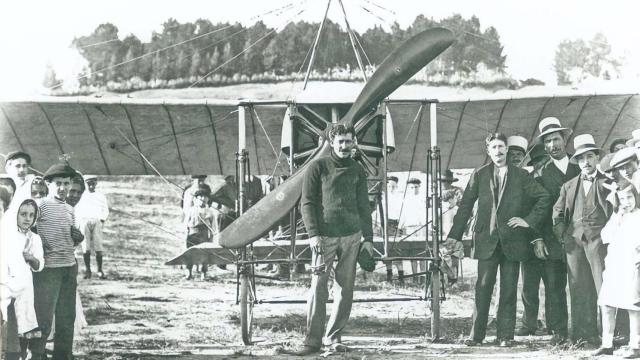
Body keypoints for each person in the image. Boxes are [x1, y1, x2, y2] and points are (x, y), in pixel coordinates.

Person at [445, 132, 551, 347]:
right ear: (488, 151)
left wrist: (527, 221)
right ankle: (476, 336)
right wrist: (454, 235)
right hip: (487, 241)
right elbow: (465, 206)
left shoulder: (521, 175)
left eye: (501, 147)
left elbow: (544, 197)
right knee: (483, 287)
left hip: (513, 242)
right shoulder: (480, 174)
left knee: (509, 288)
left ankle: (505, 336)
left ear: (507, 149)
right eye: (494, 147)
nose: (499, 151)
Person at [287, 124, 374, 355]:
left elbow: (364, 206)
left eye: (348, 141)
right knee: (318, 288)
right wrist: (313, 235)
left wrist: (369, 239)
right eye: (340, 142)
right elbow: (307, 204)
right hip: (323, 237)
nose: (345, 146)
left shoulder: (357, 170)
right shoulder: (317, 167)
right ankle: (312, 341)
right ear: (332, 143)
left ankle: (333, 338)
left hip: (352, 235)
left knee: (345, 289)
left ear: (354, 142)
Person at [553, 134, 613, 345]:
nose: (585, 162)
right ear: (577, 162)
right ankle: (582, 336)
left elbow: (617, 213)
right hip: (574, 244)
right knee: (578, 288)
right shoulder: (568, 186)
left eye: (589, 157)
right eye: (581, 158)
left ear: (597, 158)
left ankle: (610, 336)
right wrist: (563, 236)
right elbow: (557, 213)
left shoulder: (609, 183)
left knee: (604, 289)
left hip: (600, 243)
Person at [530, 117, 580, 344]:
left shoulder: (580, 166)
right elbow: (535, 208)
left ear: (565, 139)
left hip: (581, 238)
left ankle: (585, 331)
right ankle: (558, 332)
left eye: (556, 139)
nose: (553, 145)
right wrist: (537, 238)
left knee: (582, 285)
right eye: (548, 141)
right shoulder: (539, 173)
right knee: (554, 287)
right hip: (551, 238)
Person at [29, 163, 82, 360]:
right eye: (58, 183)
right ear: (48, 184)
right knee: (43, 318)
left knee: (67, 317)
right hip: (49, 270)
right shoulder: (39, 206)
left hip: (69, 267)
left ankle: (63, 355)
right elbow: (29, 234)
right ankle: (36, 354)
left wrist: (78, 238)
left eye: (66, 184)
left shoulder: (69, 209)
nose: (63, 188)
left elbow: (69, 239)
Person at [593, 185, 640, 358]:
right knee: (607, 304)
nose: (626, 202)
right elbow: (605, 236)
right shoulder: (617, 217)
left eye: (630, 198)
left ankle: (635, 345)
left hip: (632, 264)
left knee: (633, 306)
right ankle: (607, 343)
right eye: (622, 199)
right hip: (615, 264)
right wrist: (617, 218)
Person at [0, 199, 44, 358]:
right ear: (15, 215)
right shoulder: (6, 236)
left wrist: (31, 258)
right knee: (8, 326)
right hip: (6, 286)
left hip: (25, 288)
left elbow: (40, 265)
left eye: (31, 215)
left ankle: (22, 354)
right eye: (23, 214)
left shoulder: (35, 239)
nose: (27, 218)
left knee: (24, 326)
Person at [75, 175, 110, 279]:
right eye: (88, 183)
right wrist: (78, 223)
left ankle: (99, 270)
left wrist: (102, 219)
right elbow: (77, 210)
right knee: (86, 247)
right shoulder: (82, 195)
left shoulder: (100, 196)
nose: (91, 186)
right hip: (84, 221)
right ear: (85, 184)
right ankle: (88, 271)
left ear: (96, 184)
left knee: (98, 246)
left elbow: (105, 209)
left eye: (93, 183)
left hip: (96, 221)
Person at [184, 185, 217, 280]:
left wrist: (212, 236)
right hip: (192, 233)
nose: (203, 199)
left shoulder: (210, 211)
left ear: (208, 199)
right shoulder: (191, 210)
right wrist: (185, 234)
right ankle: (189, 272)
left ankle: (204, 273)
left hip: (204, 234)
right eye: (200, 197)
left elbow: (214, 226)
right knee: (190, 253)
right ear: (195, 199)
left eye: (205, 197)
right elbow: (186, 223)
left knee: (205, 253)